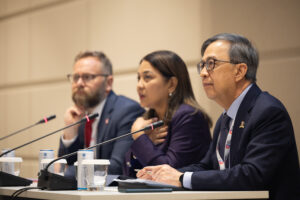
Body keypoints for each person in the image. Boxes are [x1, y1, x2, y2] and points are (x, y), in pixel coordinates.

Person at [137, 34, 300, 200]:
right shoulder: (226, 118)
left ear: (239, 71)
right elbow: (207, 166)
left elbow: (252, 175)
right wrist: (164, 174)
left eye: (211, 64)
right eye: (202, 65)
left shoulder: (268, 112)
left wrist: (181, 178)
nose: (202, 73)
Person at [123, 50, 212, 177]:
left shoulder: (188, 117)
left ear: (171, 84)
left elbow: (168, 174)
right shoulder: (149, 119)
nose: (139, 85)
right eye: (139, 78)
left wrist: (140, 137)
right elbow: (128, 173)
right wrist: (145, 142)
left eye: (147, 77)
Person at [58, 51, 144, 175]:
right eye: (76, 77)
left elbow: (117, 167)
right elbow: (64, 166)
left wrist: (66, 172)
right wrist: (70, 135)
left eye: (87, 77)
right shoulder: (79, 116)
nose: (79, 83)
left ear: (108, 83)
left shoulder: (127, 111)